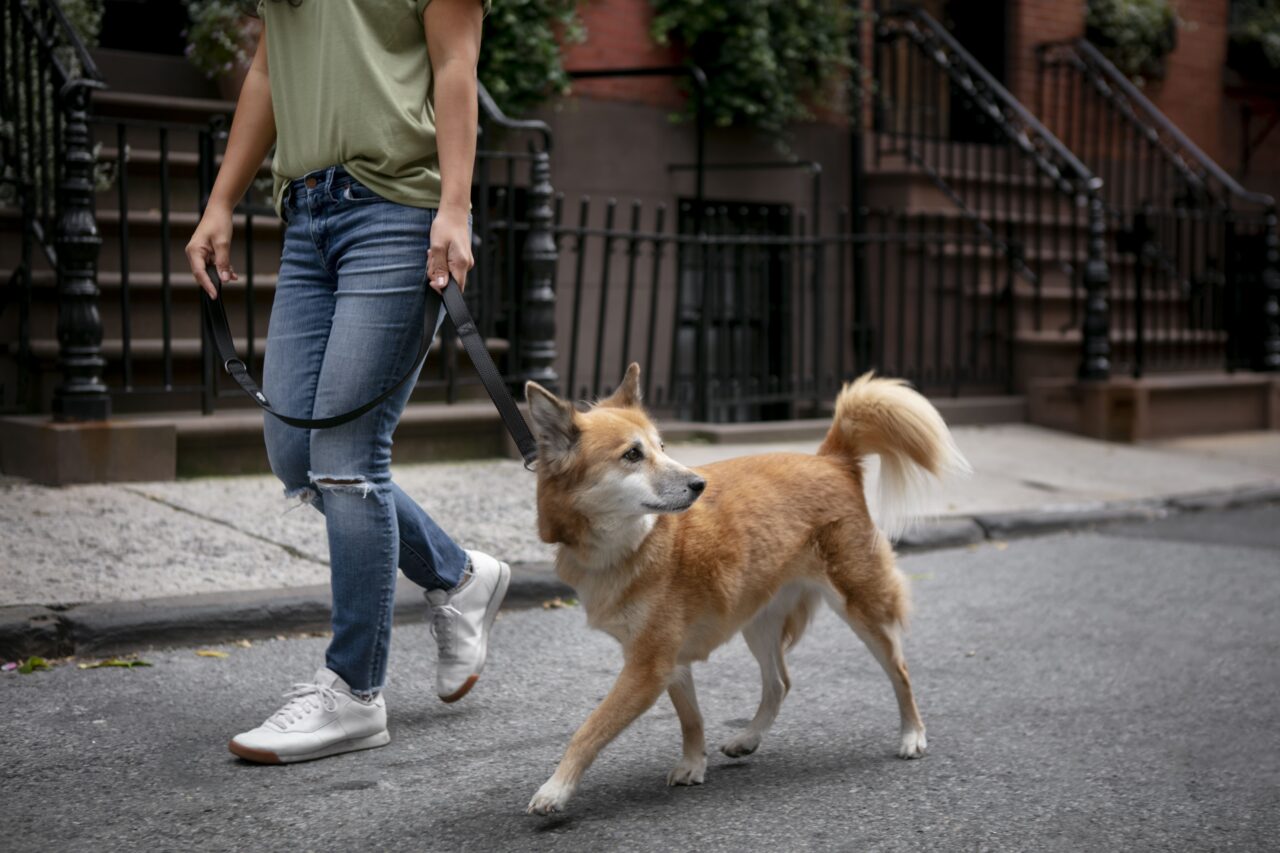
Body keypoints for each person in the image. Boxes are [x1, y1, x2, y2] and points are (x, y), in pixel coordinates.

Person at [184, 0, 508, 764]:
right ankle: (458, 575)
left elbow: (456, 64)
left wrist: (454, 208)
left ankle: (354, 689)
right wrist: (222, 200)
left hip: (398, 210)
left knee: (347, 456)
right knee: (295, 452)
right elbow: (269, 69)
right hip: (309, 215)